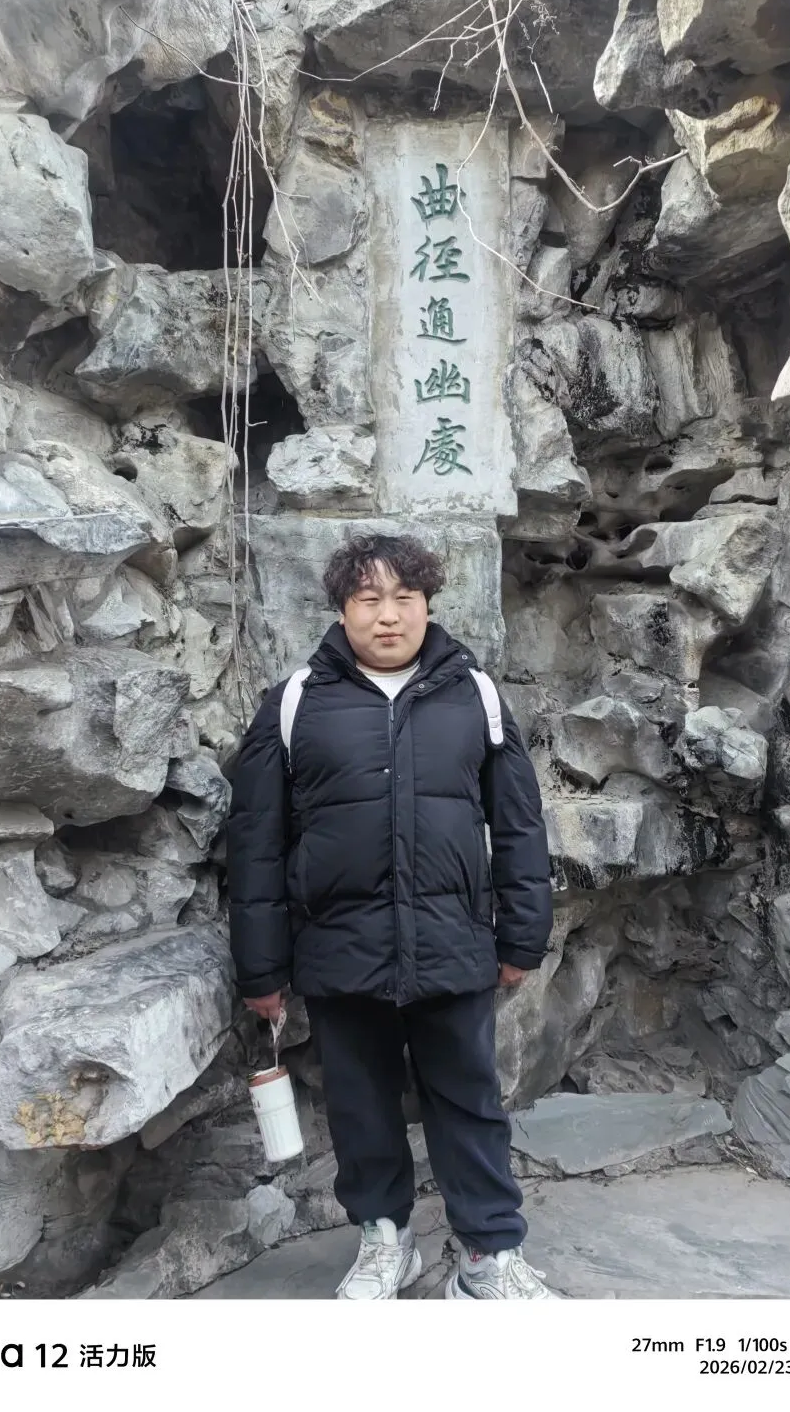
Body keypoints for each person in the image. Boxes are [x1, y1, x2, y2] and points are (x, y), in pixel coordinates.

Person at [227, 532, 554, 1299]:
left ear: (427, 605)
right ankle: (385, 1240)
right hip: (342, 949)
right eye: (368, 598)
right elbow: (256, 844)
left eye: (405, 597)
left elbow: (518, 824)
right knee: (361, 1105)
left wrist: (522, 935)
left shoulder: (474, 695)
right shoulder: (296, 702)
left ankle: (487, 1256)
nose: (388, 615)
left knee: (470, 1102)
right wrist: (261, 968)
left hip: (452, 944)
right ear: (342, 608)